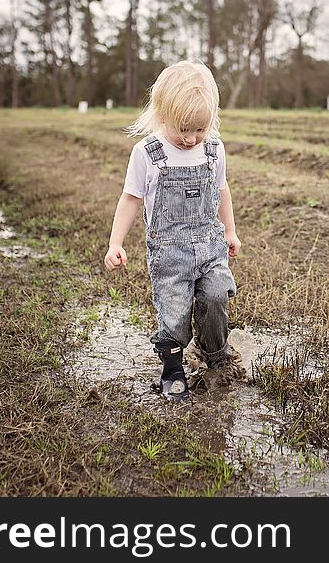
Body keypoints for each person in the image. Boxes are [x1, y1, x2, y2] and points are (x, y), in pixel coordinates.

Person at [103, 60, 242, 402]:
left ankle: (214, 352)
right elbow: (131, 198)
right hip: (169, 254)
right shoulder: (148, 154)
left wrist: (231, 232)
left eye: (200, 129)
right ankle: (173, 366)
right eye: (183, 130)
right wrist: (115, 242)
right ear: (162, 114)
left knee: (216, 296)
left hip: (210, 246)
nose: (191, 138)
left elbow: (222, 190)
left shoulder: (213, 149)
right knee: (175, 314)